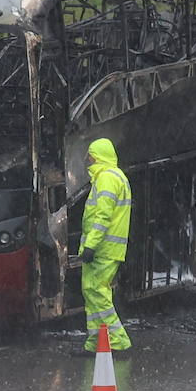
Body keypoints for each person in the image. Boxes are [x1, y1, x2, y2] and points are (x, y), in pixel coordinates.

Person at [78, 137, 133, 354]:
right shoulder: (114, 176)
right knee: (92, 291)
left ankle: (118, 340)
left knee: (96, 291)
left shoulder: (107, 179)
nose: (88, 160)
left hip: (103, 248)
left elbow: (102, 215)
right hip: (107, 247)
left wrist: (90, 245)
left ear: (97, 156)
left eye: (90, 155)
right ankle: (96, 342)